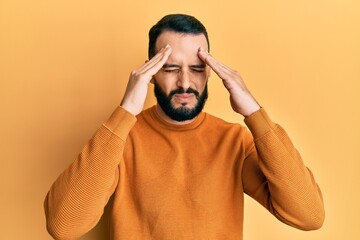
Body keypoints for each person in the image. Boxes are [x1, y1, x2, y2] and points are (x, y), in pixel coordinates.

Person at [44, 14, 325, 239]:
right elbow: (64, 226)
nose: (185, 83)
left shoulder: (234, 140)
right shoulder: (121, 139)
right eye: (170, 68)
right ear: (150, 73)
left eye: (197, 68)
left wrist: (254, 112)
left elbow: (309, 216)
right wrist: (126, 110)